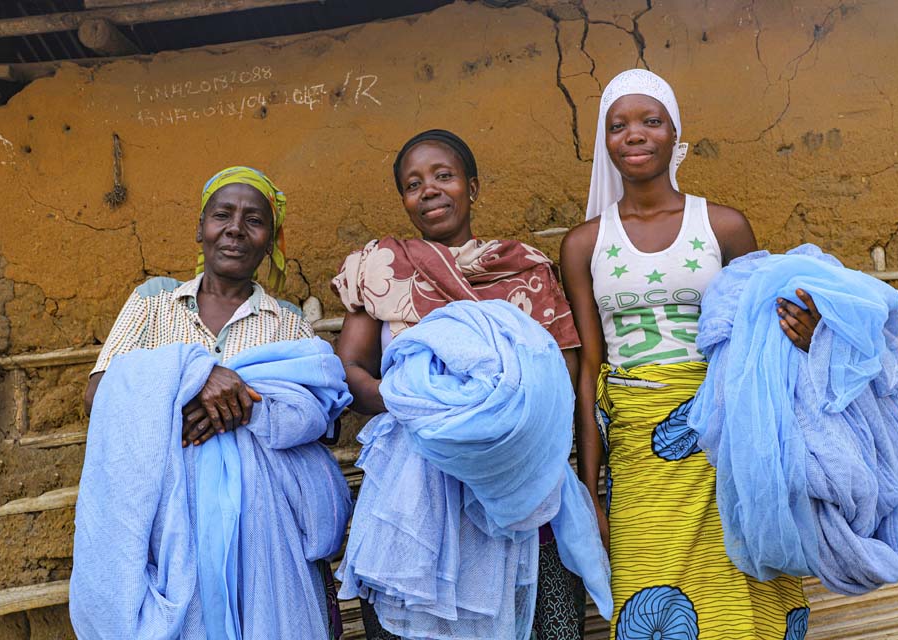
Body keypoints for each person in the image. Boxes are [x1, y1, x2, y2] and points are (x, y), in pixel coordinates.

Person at [559, 70, 819, 639]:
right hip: (638, 455)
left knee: (745, 595)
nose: (635, 135)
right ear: (604, 142)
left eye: (651, 121)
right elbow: (589, 373)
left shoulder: (723, 226)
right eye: (618, 125)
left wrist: (804, 332)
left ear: (675, 133)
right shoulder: (583, 243)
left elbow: (764, 340)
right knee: (646, 588)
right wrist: (589, 491)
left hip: (727, 440)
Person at [332, 129, 590, 639]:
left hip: (515, 484)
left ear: (472, 188)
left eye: (443, 176)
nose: (428, 190)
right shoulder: (381, 271)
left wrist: (490, 418)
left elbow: (564, 378)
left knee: (547, 625)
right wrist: (422, 406)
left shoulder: (524, 272)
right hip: (414, 496)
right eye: (413, 183)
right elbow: (348, 371)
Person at [80, 166, 347, 639]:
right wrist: (194, 376)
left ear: (270, 240)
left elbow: (320, 418)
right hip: (169, 516)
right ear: (200, 228)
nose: (235, 229)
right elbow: (98, 393)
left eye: (254, 220)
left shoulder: (287, 323)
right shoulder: (153, 303)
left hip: (263, 530)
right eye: (222, 214)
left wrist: (246, 405)